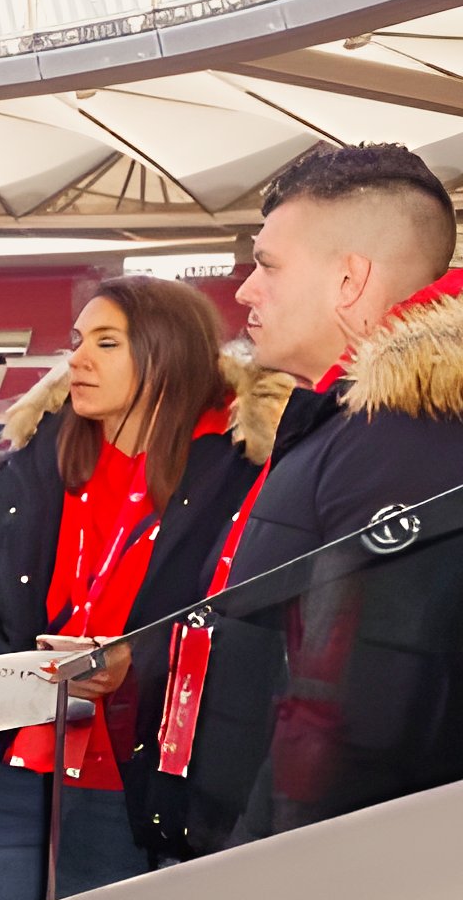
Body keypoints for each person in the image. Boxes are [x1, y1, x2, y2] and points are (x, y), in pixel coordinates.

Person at [0, 276, 285, 900]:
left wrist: (135, 666)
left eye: (105, 343)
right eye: (77, 341)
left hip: (142, 788)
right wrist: (14, 675)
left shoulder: (239, 469)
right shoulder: (32, 465)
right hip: (22, 783)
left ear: (165, 353)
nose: (76, 360)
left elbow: (259, 630)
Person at [171, 144, 463, 847]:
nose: (244, 291)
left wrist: (257, 864)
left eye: (268, 265)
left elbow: (364, 719)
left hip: (307, 874)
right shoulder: (357, 425)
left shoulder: (400, 438)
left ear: (349, 281)